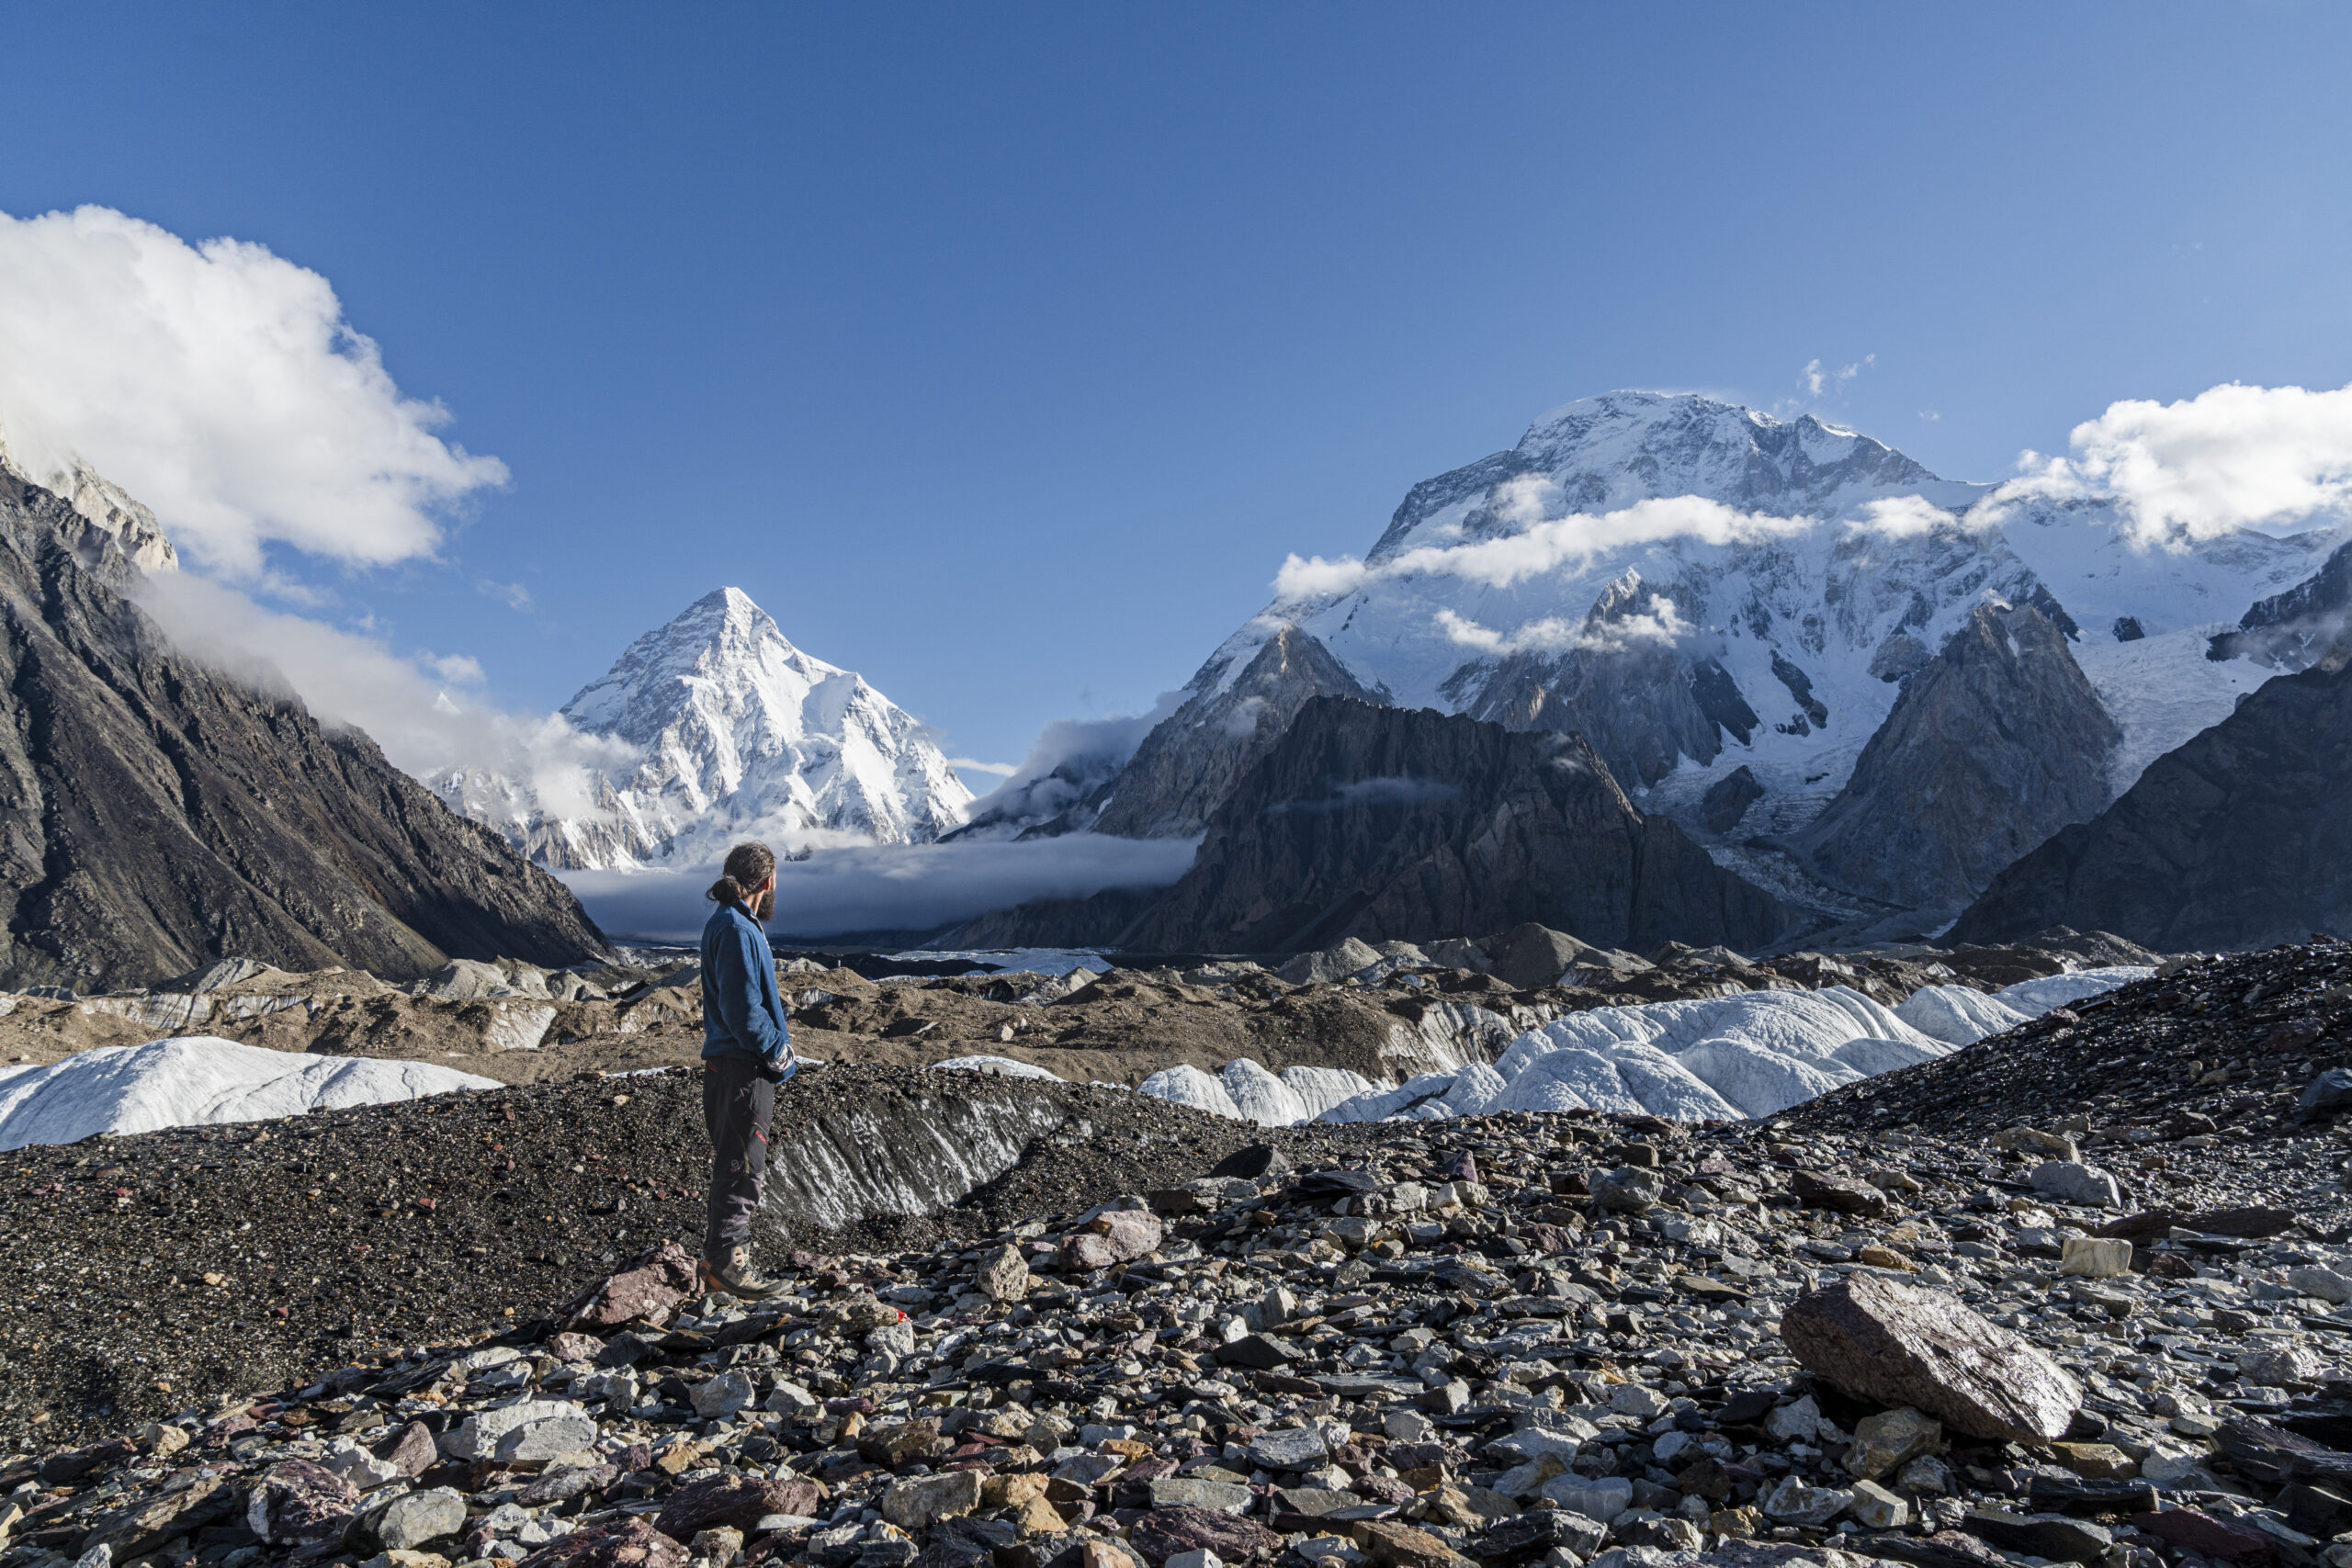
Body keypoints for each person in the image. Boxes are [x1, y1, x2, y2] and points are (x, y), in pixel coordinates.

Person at [697, 840, 797, 1298]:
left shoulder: (728, 923)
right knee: (743, 1164)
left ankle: (722, 1262)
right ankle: (728, 1265)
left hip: (727, 1065)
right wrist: (778, 1051)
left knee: (735, 1161)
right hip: (743, 1067)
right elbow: (743, 1010)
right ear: (769, 881)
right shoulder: (738, 929)